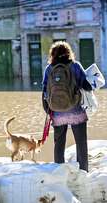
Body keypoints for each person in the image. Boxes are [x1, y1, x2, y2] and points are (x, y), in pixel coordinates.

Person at [42, 41, 92, 171]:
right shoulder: (75, 66)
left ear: (52, 54)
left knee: (59, 144)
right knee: (81, 143)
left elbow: (44, 90)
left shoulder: (49, 69)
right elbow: (85, 85)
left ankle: (59, 170)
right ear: (69, 52)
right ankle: (83, 170)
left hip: (57, 112)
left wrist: (48, 109)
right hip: (75, 110)